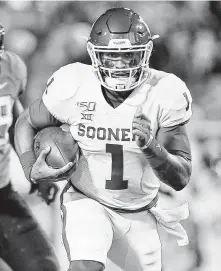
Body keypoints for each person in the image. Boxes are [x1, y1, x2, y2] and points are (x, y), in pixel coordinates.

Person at [15, 7, 192, 271]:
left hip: (139, 211)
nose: (120, 65)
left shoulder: (164, 92)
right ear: (94, 55)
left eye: (128, 56)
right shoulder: (73, 85)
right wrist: (31, 167)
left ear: (145, 53)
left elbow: (180, 178)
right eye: (111, 56)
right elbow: (26, 122)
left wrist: (152, 148)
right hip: (86, 198)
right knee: (85, 265)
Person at [0, 24, 59, 271]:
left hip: (2, 196)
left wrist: (34, 165)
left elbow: (14, 120)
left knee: (43, 266)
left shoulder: (10, 67)